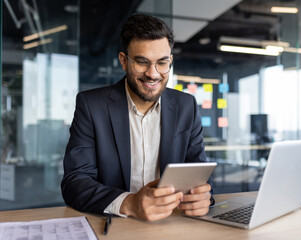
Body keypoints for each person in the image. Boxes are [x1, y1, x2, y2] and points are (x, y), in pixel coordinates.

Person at [61, 14, 214, 221]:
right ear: (124, 61)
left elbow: (198, 175)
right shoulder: (91, 106)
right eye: (142, 62)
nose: (153, 74)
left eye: (162, 63)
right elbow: (75, 182)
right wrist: (129, 203)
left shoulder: (186, 106)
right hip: (116, 225)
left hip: (172, 224)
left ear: (170, 61)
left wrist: (205, 197)